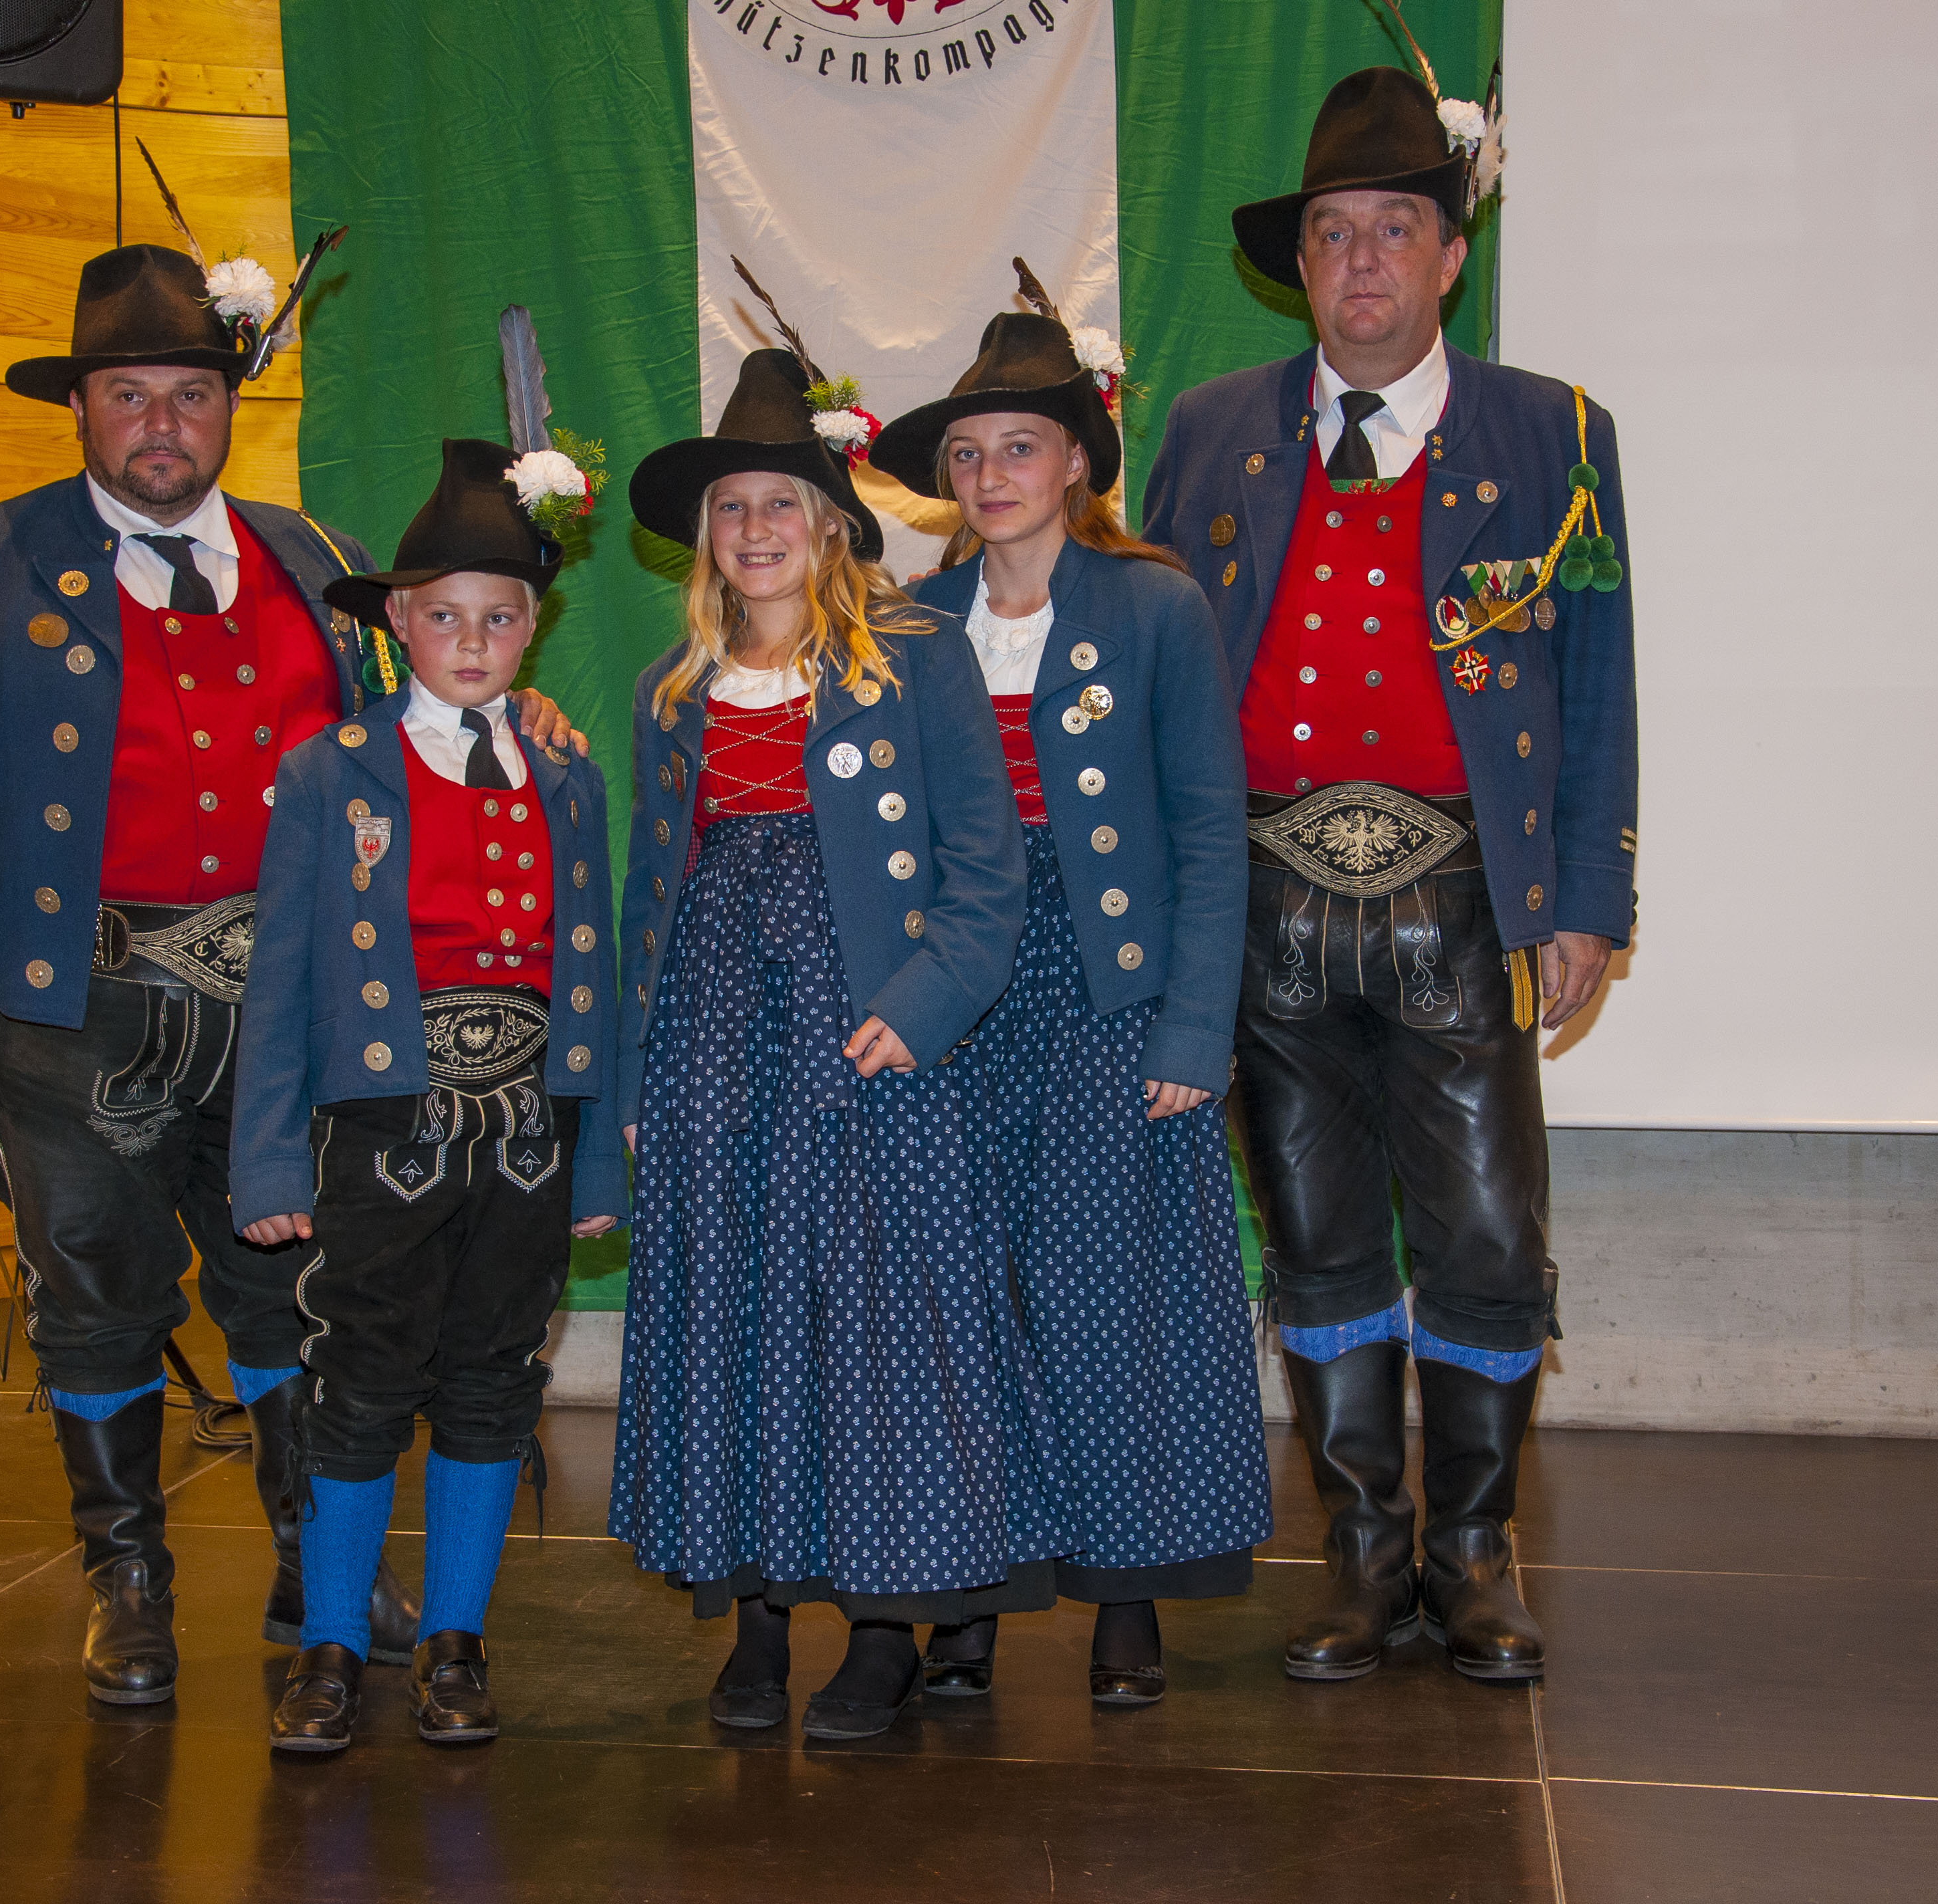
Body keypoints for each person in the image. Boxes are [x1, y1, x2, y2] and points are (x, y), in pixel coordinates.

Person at [0, 243, 576, 1707]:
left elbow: (409, 716)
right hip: (68, 999)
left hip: (281, 999)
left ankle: (317, 1559)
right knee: (95, 1286)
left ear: (227, 406)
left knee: (297, 1281)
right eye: (127, 395)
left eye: (187, 392)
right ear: (85, 411)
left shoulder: (303, 553)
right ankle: (128, 1576)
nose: (159, 422)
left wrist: (511, 709)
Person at [1140, 67, 1639, 1685]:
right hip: (1265, 905)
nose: (1359, 262)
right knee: (1316, 1232)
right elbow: (1153, 684)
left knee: (1486, 1234)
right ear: (1301, 264)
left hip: (1464, 902)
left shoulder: (1556, 434)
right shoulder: (1211, 431)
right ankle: (1362, 1550)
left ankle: (1474, 1549)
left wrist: (1585, 899)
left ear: (1445, 258)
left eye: (1393, 230)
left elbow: (1599, 677)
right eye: (1332, 234)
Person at [607, 340, 1054, 1743]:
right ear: (704, 536)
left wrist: (916, 1014)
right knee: (733, 1307)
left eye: (780, 505)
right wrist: (632, 1078)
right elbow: (646, 898)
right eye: (731, 507)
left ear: (830, 525)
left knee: (873, 1329)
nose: (753, 530)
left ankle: (881, 1624)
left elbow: (987, 875)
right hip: (710, 1044)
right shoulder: (667, 690)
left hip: (865, 1039)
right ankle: (750, 1609)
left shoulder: (912, 659)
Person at [866, 289, 1268, 1706]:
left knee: (1114, 1293)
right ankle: (966, 1592)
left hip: (1107, 990)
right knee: (957, 1290)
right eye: (966, 452)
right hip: (963, 976)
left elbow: (1209, 831)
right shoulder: (904, 622)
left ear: (1076, 464)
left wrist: (1190, 1027)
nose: (987, 476)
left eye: (1016, 447)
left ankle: (1124, 1588)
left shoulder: (1152, 605)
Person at [231, 437, 623, 1752]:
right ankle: (334, 1640)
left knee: (491, 1385)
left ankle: (454, 1634)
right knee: (356, 1387)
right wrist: (270, 1162)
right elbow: (279, 980)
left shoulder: (565, 772)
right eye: (444, 616)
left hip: (524, 1136)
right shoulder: (329, 771)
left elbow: (597, 975)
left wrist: (598, 1170)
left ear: (531, 627)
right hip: (381, 1137)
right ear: (396, 624)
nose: (471, 639)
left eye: (498, 617)